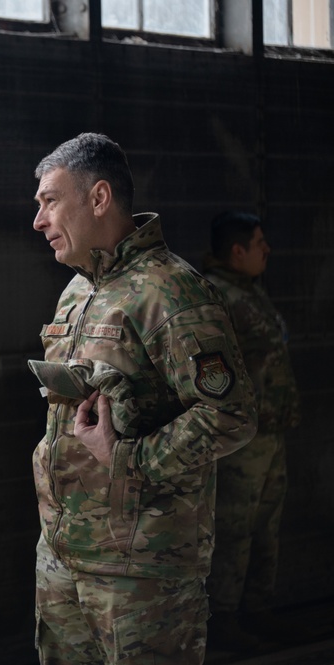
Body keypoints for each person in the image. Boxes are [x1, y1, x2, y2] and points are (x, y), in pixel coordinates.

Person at [28, 133, 258, 665]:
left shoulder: (171, 291)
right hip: (63, 557)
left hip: (142, 569)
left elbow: (231, 414)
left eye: (49, 201)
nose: (38, 220)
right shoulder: (77, 291)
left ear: (99, 198)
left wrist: (131, 458)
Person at [203, 211, 301, 652]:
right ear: (237, 251)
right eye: (259, 242)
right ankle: (224, 619)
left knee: (265, 527)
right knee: (235, 530)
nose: (267, 250)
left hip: (269, 432)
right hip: (241, 440)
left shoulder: (250, 291)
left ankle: (257, 609)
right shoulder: (217, 296)